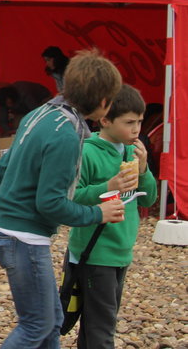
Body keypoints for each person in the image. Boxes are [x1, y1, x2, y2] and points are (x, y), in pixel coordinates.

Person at [0, 49, 126, 348]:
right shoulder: (66, 135)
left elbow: (4, 163)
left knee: (51, 322)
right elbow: (50, 204)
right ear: (103, 101)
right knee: (36, 324)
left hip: (10, 233)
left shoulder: (39, 113)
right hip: (23, 239)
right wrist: (98, 214)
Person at [68, 84, 157, 348]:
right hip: (95, 252)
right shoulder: (87, 151)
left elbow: (149, 199)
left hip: (121, 250)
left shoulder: (132, 151)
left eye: (139, 122)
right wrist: (108, 186)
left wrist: (143, 170)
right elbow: (71, 198)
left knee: (98, 322)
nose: (136, 129)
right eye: (129, 122)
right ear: (105, 120)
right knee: (101, 326)